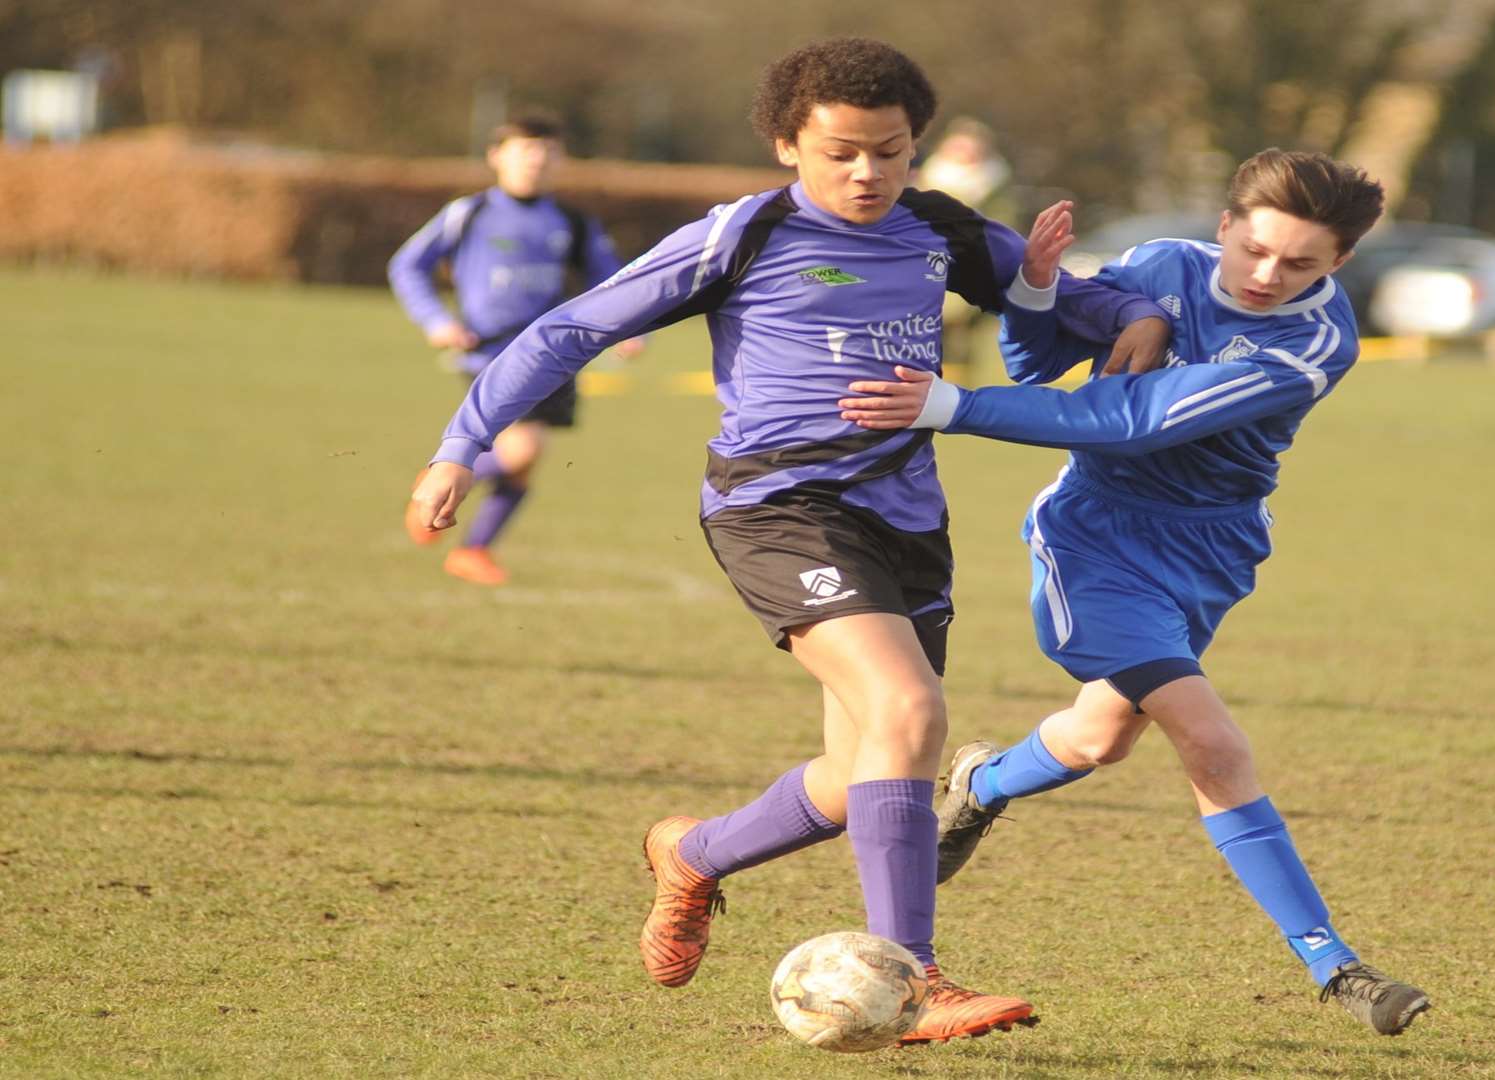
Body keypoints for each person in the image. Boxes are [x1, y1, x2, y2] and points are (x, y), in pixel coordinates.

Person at [406, 38, 1171, 1044]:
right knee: (909, 707)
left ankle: (693, 854)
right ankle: (916, 981)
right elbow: (566, 332)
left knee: (863, 773)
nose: (867, 173)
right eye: (842, 152)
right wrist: (463, 443)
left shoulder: (938, 228)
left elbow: (1067, 297)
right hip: (776, 509)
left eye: (890, 152)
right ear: (786, 145)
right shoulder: (742, 234)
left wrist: (1142, 312)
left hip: (906, 523)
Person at [837, 149, 1432, 1037]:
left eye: (1301, 263)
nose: (1269, 276)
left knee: (1100, 736)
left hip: (1213, 549)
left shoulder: (1313, 342)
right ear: (1224, 226)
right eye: (1254, 249)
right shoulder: (1160, 265)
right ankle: (1334, 965)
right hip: (1097, 540)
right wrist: (1038, 291)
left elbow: (1135, 419)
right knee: (1214, 743)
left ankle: (983, 782)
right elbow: (1041, 364)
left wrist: (952, 406)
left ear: (1338, 264)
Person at [388, 112, 643, 586]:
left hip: (553, 352)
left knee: (524, 463)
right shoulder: (469, 213)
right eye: (526, 150)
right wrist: (436, 320)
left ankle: (473, 549)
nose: (536, 161)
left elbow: (614, 280)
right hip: (488, 351)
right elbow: (407, 266)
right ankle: (439, 485)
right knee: (524, 448)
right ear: (496, 157)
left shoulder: (571, 221)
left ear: (560, 160)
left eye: (547, 152)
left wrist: (629, 325)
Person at [914, 118, 1018, 382]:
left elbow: (1007, 238)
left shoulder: (1000, 192)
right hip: (930, 286)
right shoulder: (923, 189)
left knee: (982, 361)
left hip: (987, 288)